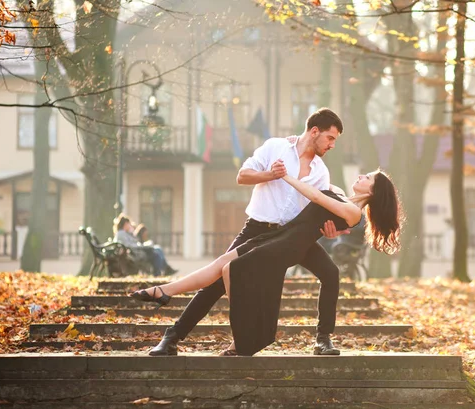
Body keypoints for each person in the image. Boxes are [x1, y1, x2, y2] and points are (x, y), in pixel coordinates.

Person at [141, 108, 347, 357]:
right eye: (330, 138)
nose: (332, 144)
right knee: (216, 283)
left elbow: (321, 208)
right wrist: (270, 174)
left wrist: (330, 230)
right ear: (314, 131)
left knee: (330, 273)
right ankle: (172, 337)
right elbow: (242, 176)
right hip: (257, 228)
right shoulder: (276, 147)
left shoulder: (321, 172)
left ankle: (323, 339)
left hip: (291, 237)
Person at [130, 169, 402, 356]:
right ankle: (165, 291)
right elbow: (317, 206)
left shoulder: (354, 211)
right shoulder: (340, 192)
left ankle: (247, 339)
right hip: (278, 235)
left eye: (367, 177)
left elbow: (316, 197)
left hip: (288, 245)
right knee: (219, 265)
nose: (361, 175)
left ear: (373, 191)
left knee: (232, 270)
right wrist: (336, 230)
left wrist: (287, 176)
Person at [113, 214, 178, 277]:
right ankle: (159, 273)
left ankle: (164, 270)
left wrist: (132, 232)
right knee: (156, 254)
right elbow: (130, 246)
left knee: (157, 250)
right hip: (135, 254)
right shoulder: (121, 233)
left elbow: (134, 242)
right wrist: (142, 246)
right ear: (125, 224)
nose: (130, 225)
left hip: (136, 251)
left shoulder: (125, 233)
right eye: (128, 224)